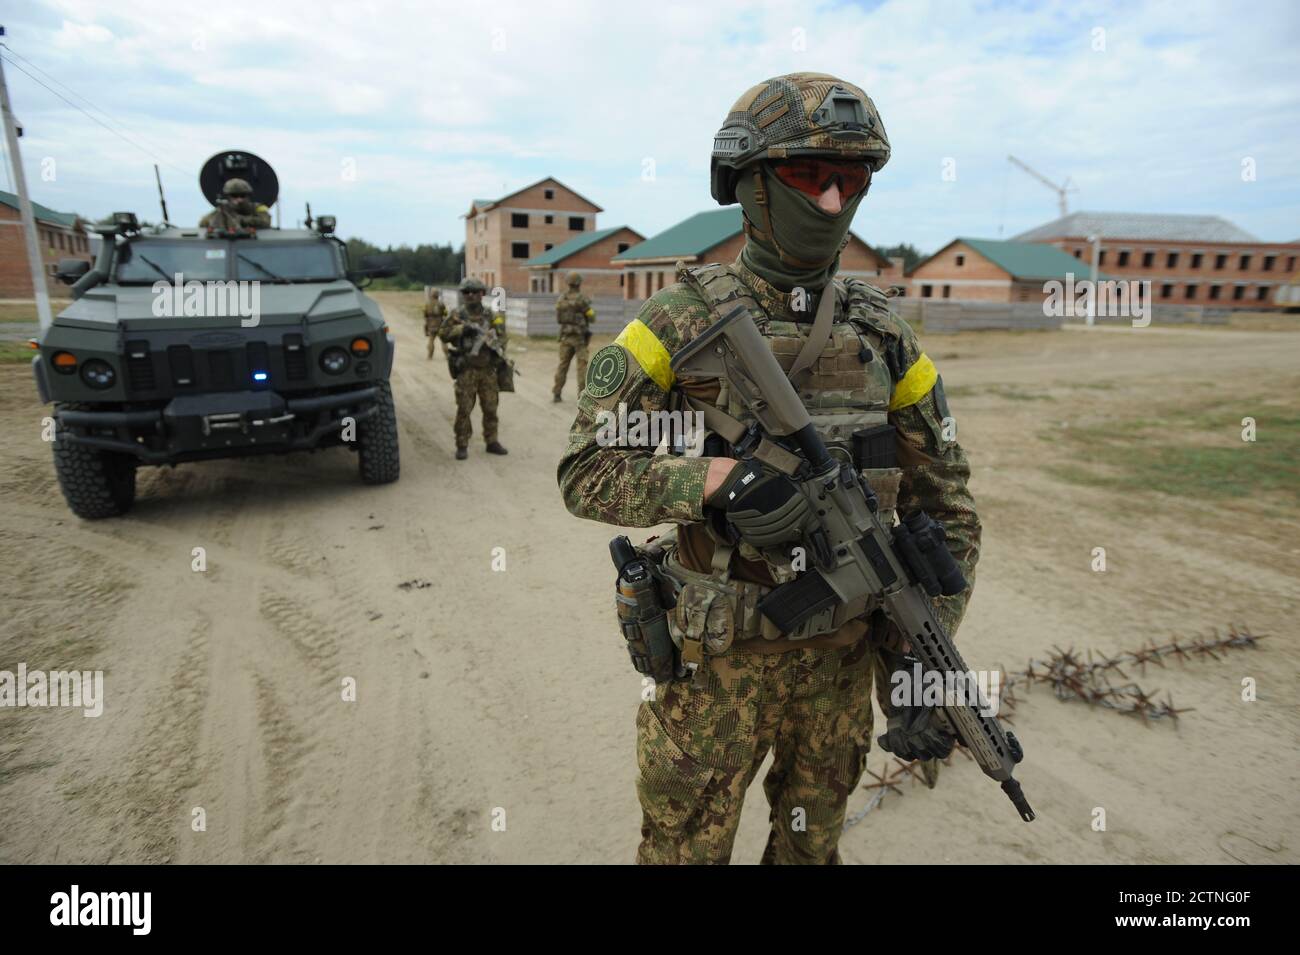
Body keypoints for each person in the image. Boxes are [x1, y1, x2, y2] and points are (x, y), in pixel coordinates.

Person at [557, 73, 980, 864]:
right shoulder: (676, 322)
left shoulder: (887, 335)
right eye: (806, 176)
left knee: (811, 854)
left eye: (849, 181)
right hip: (714, 673)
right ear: (748, 186)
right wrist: (714, 481)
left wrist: (926, 656)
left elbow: (949, 506)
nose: (830, 202)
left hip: (840, 673)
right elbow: (585, 469)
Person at [440, 277, 509, 460]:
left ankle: (492, 441)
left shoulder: (492, 316)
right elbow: (443, 334)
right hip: (467, 369)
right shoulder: (457, 314)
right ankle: (462, 444)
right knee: (464, 409)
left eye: (474, 292)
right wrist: (461, 330)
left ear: (482, 294)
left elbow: (503, 338)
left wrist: (494, 344)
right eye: (466, 292)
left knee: (491, 408)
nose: (470, 295)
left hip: (487, 369)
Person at [552, 271, 595, 402]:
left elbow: (559, 319)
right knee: (582, 367)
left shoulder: (561, 299)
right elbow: (592, 318)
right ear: (579, 283)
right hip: (579, 339)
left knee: (562, 365)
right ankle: (582, 397)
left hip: (565, 337)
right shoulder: (582, 299)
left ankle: (556, 393)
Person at [199, 178, 271, 230]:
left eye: (242, 195)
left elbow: (265, 222)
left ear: (248, 196)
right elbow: (203, 223)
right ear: (228, 197)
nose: (239, 199)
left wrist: (241, 219)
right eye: (234, 196)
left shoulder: (258, 208)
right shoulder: (223, 210)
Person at [424, 289, 449, 360]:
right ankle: (447, 356)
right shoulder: (441, 304)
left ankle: (430, 356)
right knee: (443, 341)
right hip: (440, 324)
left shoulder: (427, 304)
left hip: (431, 324)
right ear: (437, 295)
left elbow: (425, 314)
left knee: (431, 340)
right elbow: (445, 313)